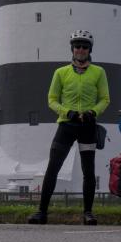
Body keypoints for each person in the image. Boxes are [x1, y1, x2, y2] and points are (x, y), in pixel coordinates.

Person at [28, 29, 110, 225]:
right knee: (53, 168)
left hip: (88, 127)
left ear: (90, 49)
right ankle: (42, 212)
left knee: (88, 171)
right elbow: (52, 100)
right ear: (72, 49)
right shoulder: (61, 73)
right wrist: (67, 112)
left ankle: (88, 213)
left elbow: (105, 99)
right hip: (66, 125)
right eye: (77, 46)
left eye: (84, 47)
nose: (80, 50)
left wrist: (93, 112)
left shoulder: (99, 72)